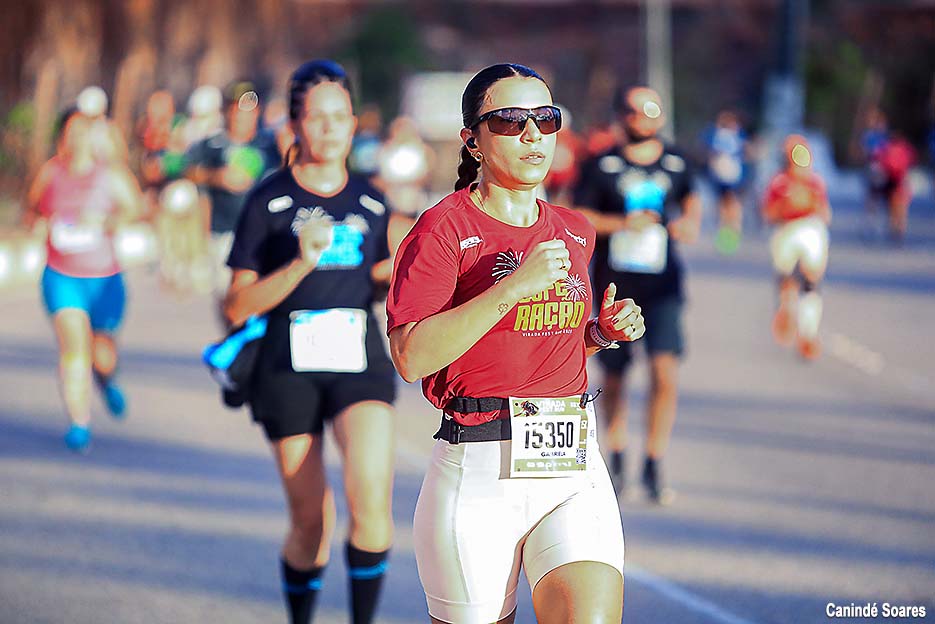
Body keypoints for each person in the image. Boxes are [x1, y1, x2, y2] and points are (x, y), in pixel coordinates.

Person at [387, 63, 646, 624]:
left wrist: (599, 332)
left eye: (546, 119)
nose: (532, 134)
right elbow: (411, 356)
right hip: (479, 470)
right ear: (473, 140)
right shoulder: (442, 230)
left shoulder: (574, 229)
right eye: (509, 120)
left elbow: (531, 343)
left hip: (571, 466)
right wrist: (512, 288)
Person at [221, 60, 398, 624]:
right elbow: (237, 305)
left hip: (358, 360)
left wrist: (403, 272)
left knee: (370, 502)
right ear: (295, 124)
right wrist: (302, 262)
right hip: (285, 365)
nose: (329, 127)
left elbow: (379, 274)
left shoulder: (372, 201)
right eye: (316, 117)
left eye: (339, 116)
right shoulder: (268, 200)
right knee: (310, 522)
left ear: (354, 123)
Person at [573, 86, 701, 504]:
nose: (642, 118)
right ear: (620, 115)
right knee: (615, 374)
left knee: (665, 373)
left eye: (650, 110)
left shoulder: (676, 161)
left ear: (661, 115)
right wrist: (623, 224)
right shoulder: (601, 164)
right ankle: (616, 453)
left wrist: (687, 223)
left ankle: (653, 460)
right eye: (633, 110)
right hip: (616, 283)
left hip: (663, 285)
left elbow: (691, 201)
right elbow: (579, 216)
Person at [23, 107, 144, 452]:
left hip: (104, 279)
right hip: (62, 276)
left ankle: (106, 380)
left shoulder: (111, 175)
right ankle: (79, 422)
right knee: (74, 346)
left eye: (83, 131)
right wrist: (39, 224)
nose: (76, 139)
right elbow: (32, 210)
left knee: (101, 355)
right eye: (70, 132)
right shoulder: (50, 173)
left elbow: (136, 209)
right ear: (62, 136)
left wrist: (108, 221)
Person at [186, 80, 280, 299]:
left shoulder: (269, 145)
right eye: (237, 109)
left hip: (262, 234)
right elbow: (188, 170)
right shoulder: (213, 144)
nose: (242, 116)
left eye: (248, 109)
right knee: (229, 298)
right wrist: (216, 177)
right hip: (223, 233)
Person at [762, 135, 832, 360]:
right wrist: (786, 206)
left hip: (810, 228)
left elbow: (825, 213)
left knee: (811, 280)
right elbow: (768, 213)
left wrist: (810, 204)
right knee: (788, 279)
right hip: (787, 229)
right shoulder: (779, 183)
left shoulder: (814, 183)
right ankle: (787, 310)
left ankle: (808, 333)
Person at [703, 109, 748, 254]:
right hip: (721, 175)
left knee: (732, 204)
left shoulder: (736, 135)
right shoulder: (716, 134)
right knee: (724, 205)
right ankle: (726, 233)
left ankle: (732, 232)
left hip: (733, 175)